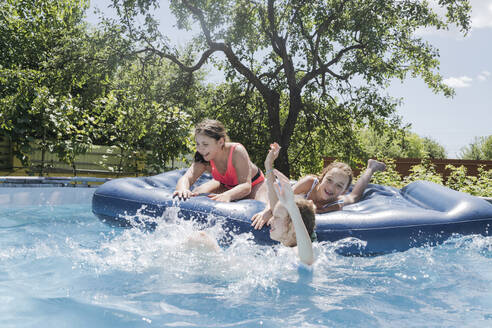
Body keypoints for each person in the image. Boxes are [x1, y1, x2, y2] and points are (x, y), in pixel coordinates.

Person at [251, 144, 386, 230]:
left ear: (344, 190)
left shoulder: (335, 204)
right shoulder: (310, 182)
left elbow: (309, 214)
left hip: (325, 203)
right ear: (321, 178)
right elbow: (283, 196)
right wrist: (268, 211)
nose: (331, 187)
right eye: (329, 180)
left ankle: (371, 168)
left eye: (339, 186)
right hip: (299, 192)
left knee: (354, 197)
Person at [173, 119, 266, 202]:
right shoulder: (203, 156)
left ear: (221, 142)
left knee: (263, 209)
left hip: (254, 184)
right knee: (197, 192)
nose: (200, 149)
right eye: (198, 144)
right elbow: (187, 177)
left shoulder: (236, 151)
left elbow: (246, 186)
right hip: (226, 185)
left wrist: (228, 195)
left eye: (205, 144)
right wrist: (182, 189)